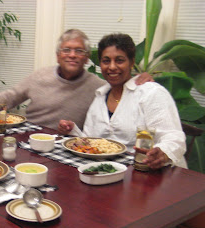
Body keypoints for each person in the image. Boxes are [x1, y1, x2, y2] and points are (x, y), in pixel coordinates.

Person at [0, 29, 152, 130]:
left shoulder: (99, 87)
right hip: (28, 136)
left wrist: (142, 77)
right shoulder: (40, 75)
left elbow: (121, 82)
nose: (72, 55)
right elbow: (9, 96)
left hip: (66, 145)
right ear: (58, 55)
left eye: (79, 51)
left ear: (86, 58)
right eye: (66, 50)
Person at [58, 33, 186, 169]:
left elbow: (173, 137)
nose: (112, 67)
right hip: (113, 170)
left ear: (131, 62)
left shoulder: (150, 92)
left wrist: (163, 153)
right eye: (106, 61)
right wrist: (73, 131)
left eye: (119, 60)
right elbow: (91, 141)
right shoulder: (101, 96)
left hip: (153, 171)